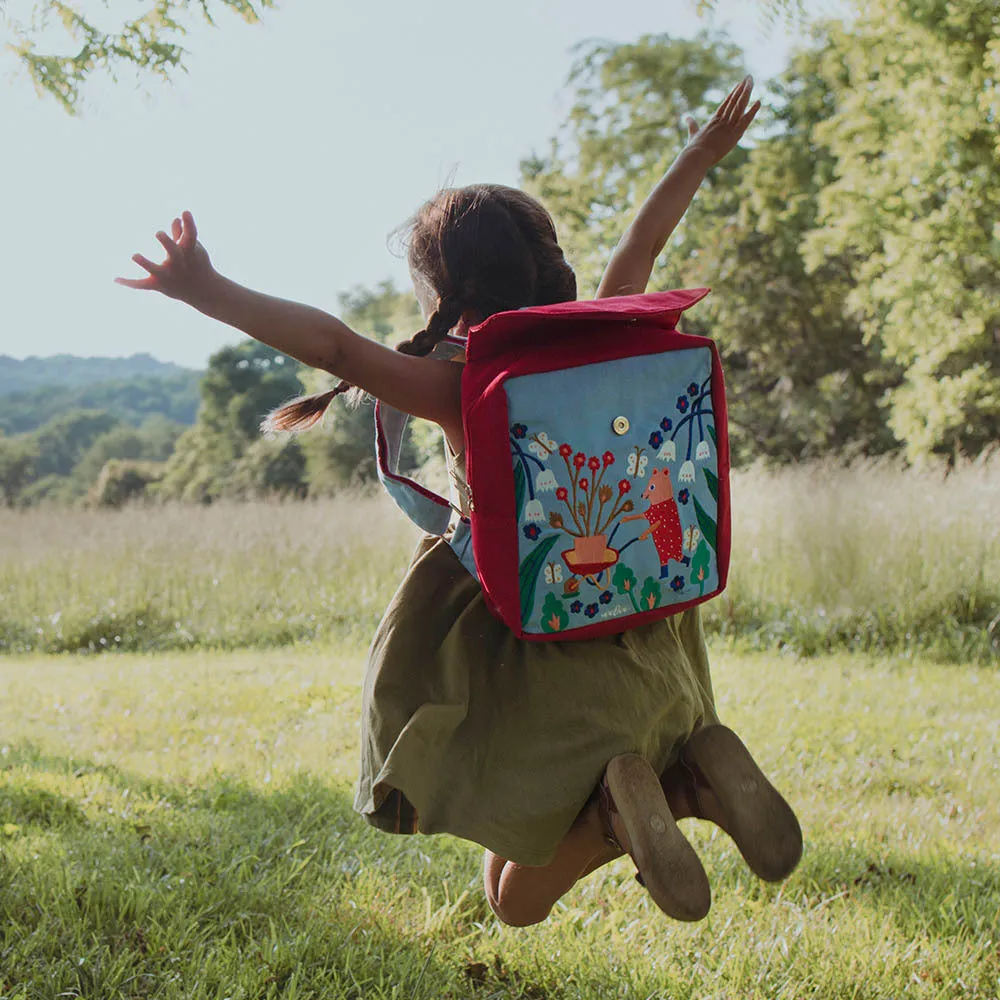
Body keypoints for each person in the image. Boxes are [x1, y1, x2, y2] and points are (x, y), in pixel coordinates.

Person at [118, 75, 801, 927]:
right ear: (553, 265)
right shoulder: (615, 328)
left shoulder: (462, 385)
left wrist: (203, 290)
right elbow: (644, 240)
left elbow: (331, 342)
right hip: (648, 622)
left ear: (450, 298)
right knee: (528, 859)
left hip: (542, 650)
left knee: (510, 900)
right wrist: (699, 153)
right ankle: (695, 774)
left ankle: (613, 816)